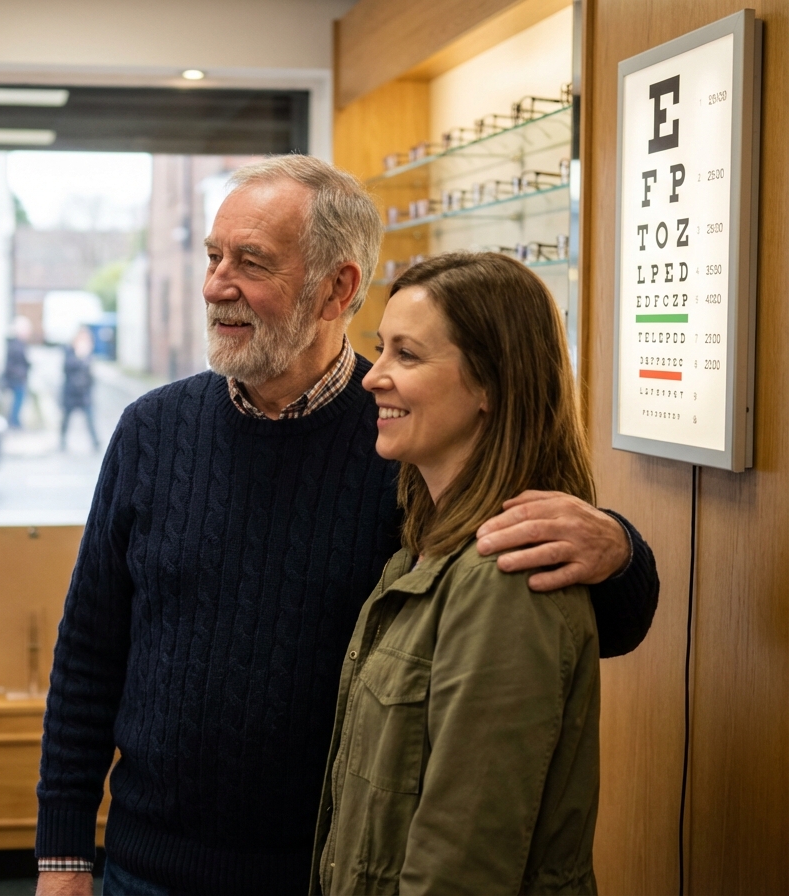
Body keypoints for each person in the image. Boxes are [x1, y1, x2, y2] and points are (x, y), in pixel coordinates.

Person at [35, 156, 658, 896]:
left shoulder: (407, 436)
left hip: (329, 872)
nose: (215, 285)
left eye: (250, 262)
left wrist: (619, 550)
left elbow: (566, 616)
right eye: (212, 257)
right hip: (146, 870)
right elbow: (88, 653)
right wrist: (64, 853)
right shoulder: (152, 430)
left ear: (338, 288)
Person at [312, 253, 601, 896]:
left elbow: (461, 862)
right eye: (380, 349)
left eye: (407, 356)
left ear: (491, 386)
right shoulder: (422, 551)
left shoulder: (506, 577)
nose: (372, 377)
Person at [60, 327, 100, 451]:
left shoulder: (89, 354)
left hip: (84, 393)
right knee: (66, 418)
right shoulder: (70, 351)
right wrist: (79, 357)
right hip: (71, 392)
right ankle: (61, 440)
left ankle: (95, 442)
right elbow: (66, 368)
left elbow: (90, 373)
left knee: (90, 418)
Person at [4, 315, 33, 429]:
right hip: (17, 378)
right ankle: (14, 422)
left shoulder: (16, 344)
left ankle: (15, 422)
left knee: (18, 400)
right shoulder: (16, 345)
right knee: (17, 401)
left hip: (18, 377)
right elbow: (16, 362)